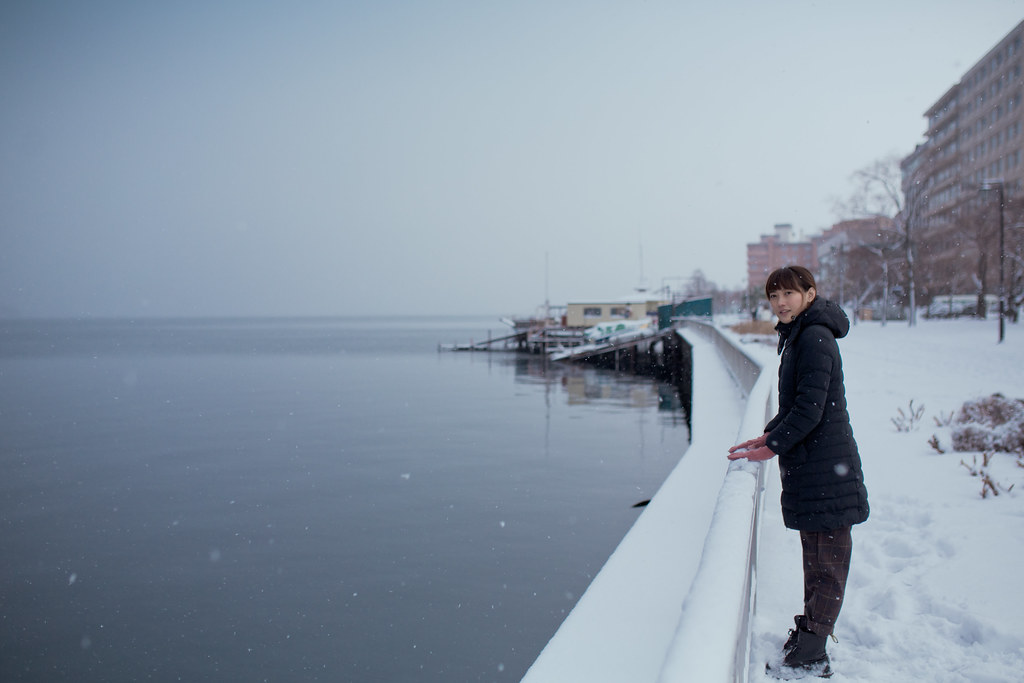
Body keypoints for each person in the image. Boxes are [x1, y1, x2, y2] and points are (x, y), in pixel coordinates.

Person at [728, 265, 869, 679]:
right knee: (817, 561)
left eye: (789, 293)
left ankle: (811, 654)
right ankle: (808, 636)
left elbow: (810, 409)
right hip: (817, 468)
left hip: (827, 470)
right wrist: (768, 435)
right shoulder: (800, 333)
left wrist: (772, 447)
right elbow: (795, 406)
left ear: (810, 293)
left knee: (827, 567)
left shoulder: (815, 337)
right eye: (774, 296)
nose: (781, 302)